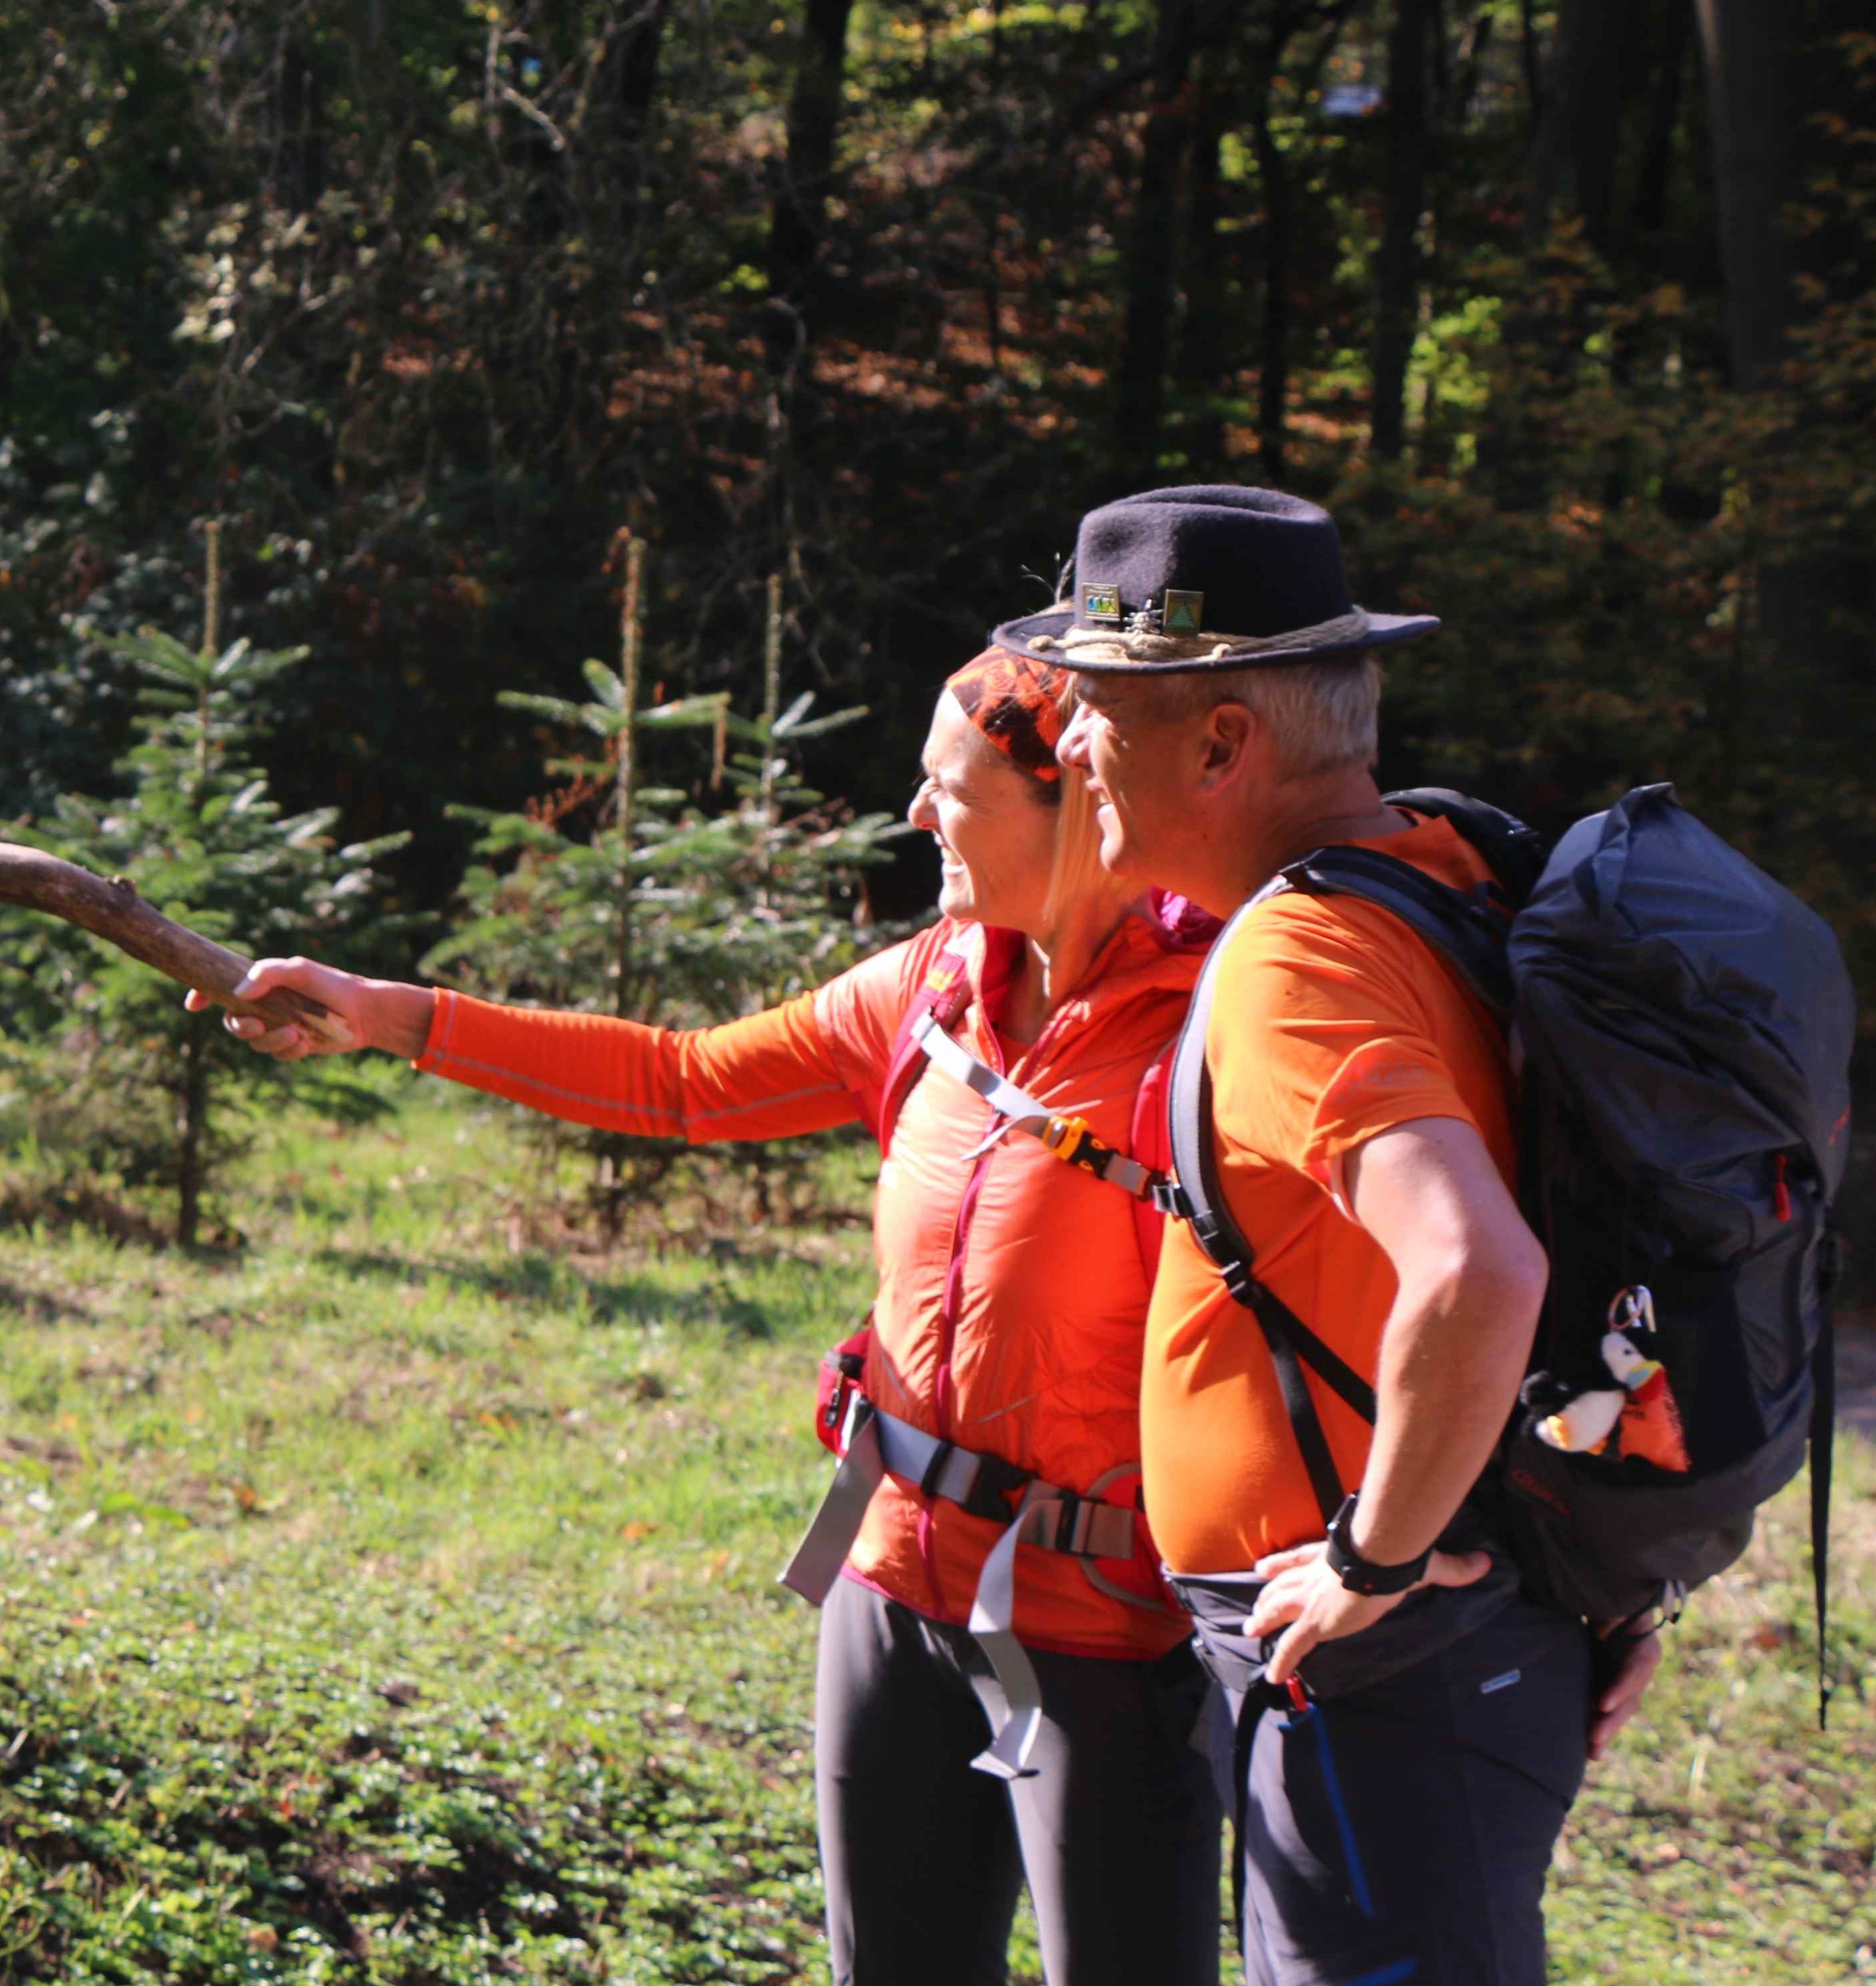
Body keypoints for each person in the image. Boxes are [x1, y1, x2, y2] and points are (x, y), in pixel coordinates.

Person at [196, 644, 1224, 1986]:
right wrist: (396, 1017)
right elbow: (683, 1082)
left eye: (949, 788)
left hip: (1102, 1628)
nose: (916, 816)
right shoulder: (927, 987)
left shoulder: (1209, 1023)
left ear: (1077, 803)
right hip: (887, 1590)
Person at [1011, 485, 1664, 1986]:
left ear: (1224, 739)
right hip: (1462, 1625)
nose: (1072, 747)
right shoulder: (1448, 864)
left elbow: (1482, 1262)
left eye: (1099, 710)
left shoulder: (1303, 953)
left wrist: (1377, 1553)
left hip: (1386, 1657)